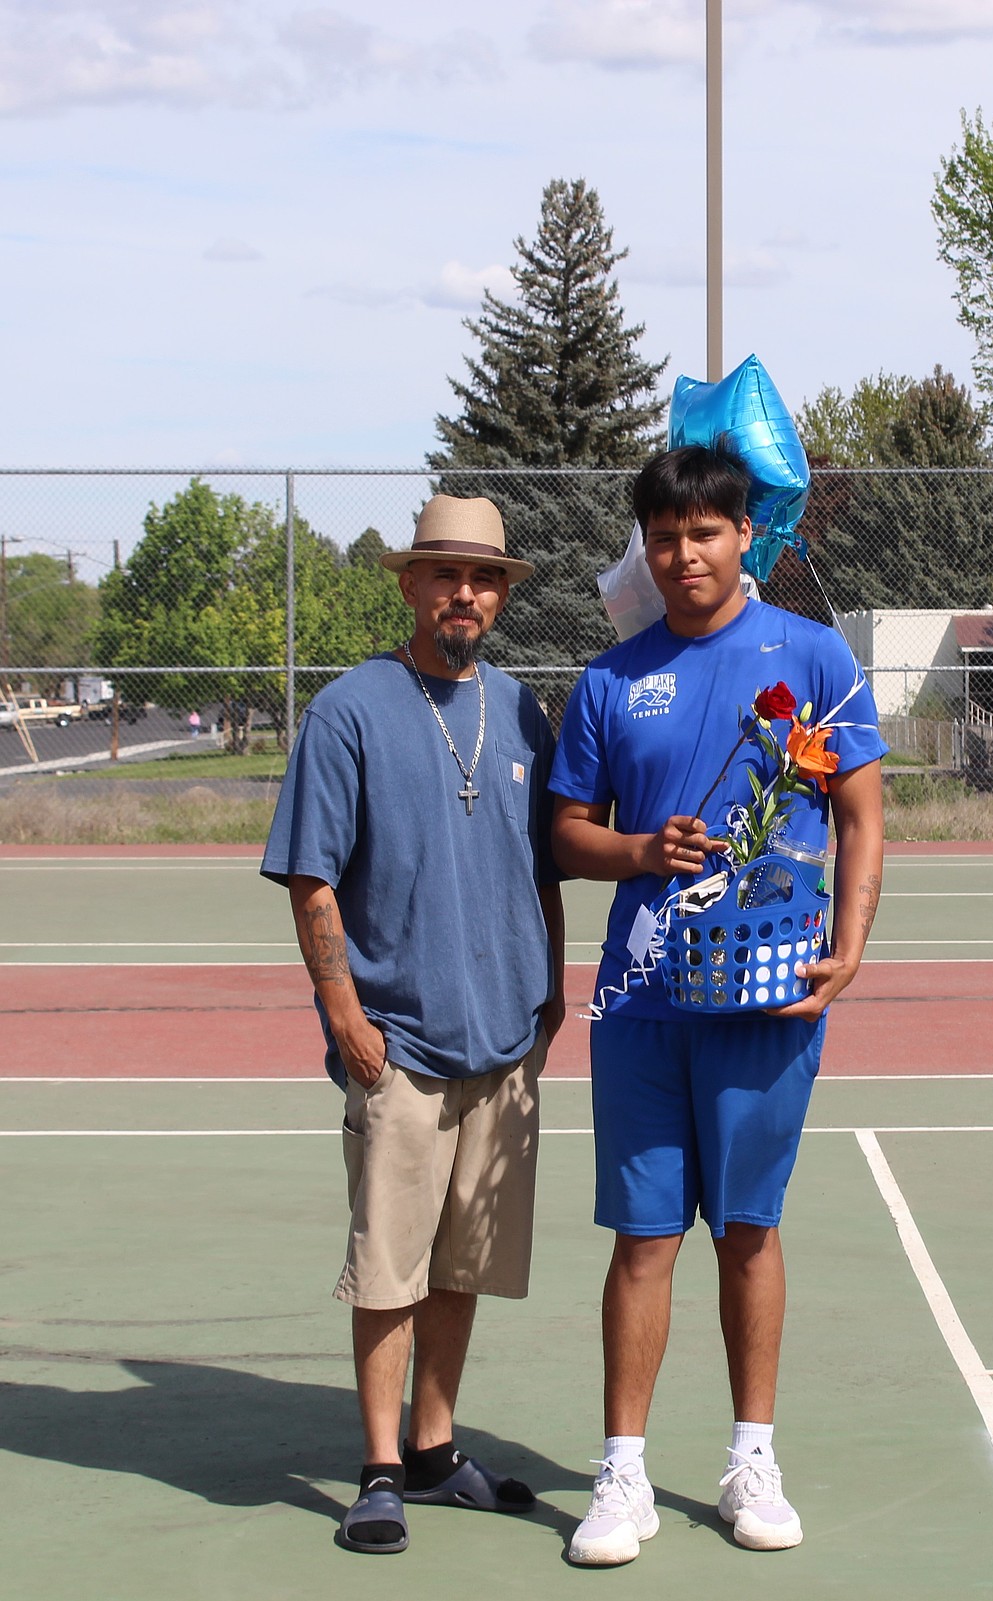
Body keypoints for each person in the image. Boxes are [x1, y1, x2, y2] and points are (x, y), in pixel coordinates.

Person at [549, 441, 885, 1566]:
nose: (683, 552)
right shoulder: (609, 676)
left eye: (704, 532)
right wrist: (639, 847)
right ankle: (624, 1472)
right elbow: (565, 833)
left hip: (763, 998)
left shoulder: (815, 653)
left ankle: (752, 1457)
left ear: (747, 536)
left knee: (750, 1228)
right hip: (643, 1001)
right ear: (644, 546)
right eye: (663, 535)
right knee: (643, 1240)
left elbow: (860, 814)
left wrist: (849, 945)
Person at [261, 494, 565, 1556]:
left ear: (500, 594)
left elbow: (545, 865)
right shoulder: (352, 710)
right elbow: (310, 879)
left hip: (503, 1044)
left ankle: (436, 1449)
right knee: (388, 1266)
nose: (465, 594)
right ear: (409, 583)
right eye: (445, 574)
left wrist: (551, 987)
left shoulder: (525, 711)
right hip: (401, 1044)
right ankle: (380, 1464)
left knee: (462, 1261)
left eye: (482, 579)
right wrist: (347, 1016)